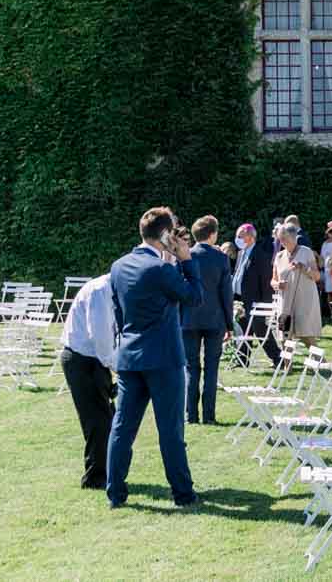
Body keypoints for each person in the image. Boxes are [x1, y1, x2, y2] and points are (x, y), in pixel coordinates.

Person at [104, 206, 202, 509]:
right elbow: (194, 296)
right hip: (163, 358)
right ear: (163, 234)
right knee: (170, 430)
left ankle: (115, 493)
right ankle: (183, 494)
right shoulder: (160, 269)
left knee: (122, 428)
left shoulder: (119, 266)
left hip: (130, 356)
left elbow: (119, 312)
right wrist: (186, 260)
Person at [60, 272, 118, 490]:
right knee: (98, 422)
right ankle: (95, 478)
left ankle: (106, 471)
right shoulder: (100, 291)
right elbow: (101, 338)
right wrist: (119, 367)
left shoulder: (109, 289)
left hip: (94, 360)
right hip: (83, 360)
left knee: (107, 419)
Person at [179, 216, 233, 426]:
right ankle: (209, 415)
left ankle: (190, 415)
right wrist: (229, 323)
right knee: (212, 368)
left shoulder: (186, 256)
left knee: (191, 368)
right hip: (214, 319)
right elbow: (226, 294)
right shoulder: (220, 258)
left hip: (189, 318)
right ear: (212, 235)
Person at [231, 222, 278, 367]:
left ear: (250, 237)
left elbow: (265, 281)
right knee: (243, 330)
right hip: (240, 299)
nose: (237, 239)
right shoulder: (241, 253)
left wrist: (266, 305)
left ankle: (278, 358)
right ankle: (242, 359)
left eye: (240, 236)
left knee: (260, 330)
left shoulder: (260, 255)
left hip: (256, 301)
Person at [274, 223, 324, 347]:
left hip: (304, 300)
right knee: (285, 337)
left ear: (294, 237)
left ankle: (322, 364)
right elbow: (273, 280)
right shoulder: (279, 256)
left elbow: (317, 276)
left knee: (306, 335)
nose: (282, 242)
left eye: (284, 238)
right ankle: (287, 367)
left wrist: (304, 268)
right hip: (285, 301)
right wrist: (277, 284)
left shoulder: (306, 252)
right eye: (280, 239)